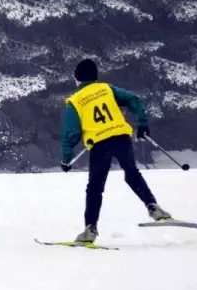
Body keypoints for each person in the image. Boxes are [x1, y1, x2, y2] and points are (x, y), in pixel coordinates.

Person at [60, 59, 173, 244]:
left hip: (99, 144)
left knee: (95, 187)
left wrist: (66, 159)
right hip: (121, 137)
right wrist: (142, 123)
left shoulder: (75, 100)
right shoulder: (107, 89)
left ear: (77, 79)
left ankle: (90, 230)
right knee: (131, 172)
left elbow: (70, 132)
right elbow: (133, 99)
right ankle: (153, 207)